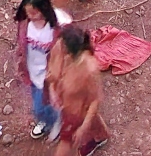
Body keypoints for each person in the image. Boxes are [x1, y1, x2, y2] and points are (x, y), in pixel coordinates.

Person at [15, 0, 71, 141]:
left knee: (46, 104)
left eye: (34, 12)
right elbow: (20, 42)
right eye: (27, 11)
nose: (30, 15)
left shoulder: (60, 26)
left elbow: (68, 51)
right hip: (32, 73)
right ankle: (48, 120)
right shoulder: (25, 23)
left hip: (50, 76)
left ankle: (55, 122)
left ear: (44, 9)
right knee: (40, 105)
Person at [46, 26, 109, 156]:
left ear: (70, 53)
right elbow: (52, 73)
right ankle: (100, 136)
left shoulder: (89, 70)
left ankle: (96, 136)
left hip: (74, 114)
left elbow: (95, 101)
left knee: (65, 148)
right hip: (67, 105)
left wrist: (83, 128)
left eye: (62, 46)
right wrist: (53, 92)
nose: (59, 47)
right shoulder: (60, 46)